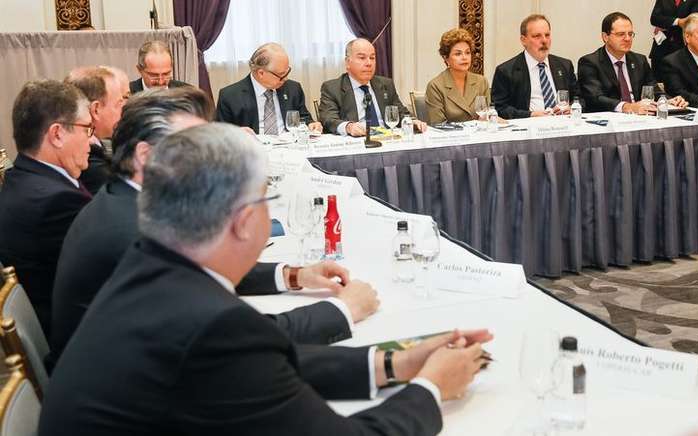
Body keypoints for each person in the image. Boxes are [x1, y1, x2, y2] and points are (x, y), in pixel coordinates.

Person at [39, 122, 492, 435]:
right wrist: (431, 389)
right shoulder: (211, 325)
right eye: (265, 199)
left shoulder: (150, 262)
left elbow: (273, 369)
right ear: (241, 220)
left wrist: (396, 362)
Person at [48, 88, 377, 371]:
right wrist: (342, 310)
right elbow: (234, 339)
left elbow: (201, 271)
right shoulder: (133, 231)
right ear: (146, 156)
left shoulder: (125, 201)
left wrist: (294, 275)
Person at [0, 80, 92, 337]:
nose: (90, 140)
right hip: (73, 338)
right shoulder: (57, 203)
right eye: (86, 129)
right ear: (57, 134)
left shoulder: (21, 179)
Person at [578, 12, 688, 113]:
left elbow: (654, 90)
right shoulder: (589, 62)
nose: (627, 39)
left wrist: (668, 100)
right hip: (610, 121)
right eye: (621, 34)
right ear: (605, 37)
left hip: (642, 117)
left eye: (630, 34)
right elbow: (595, 98)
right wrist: (627, 107)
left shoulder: (640, 60)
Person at [319, 38, 427, 137]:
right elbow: (328, 119)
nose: (369, 63)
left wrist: (411, 121)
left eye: (372, 58)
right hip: (357, 144)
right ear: (348, 62)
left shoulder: (386, 84)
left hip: (388, 141)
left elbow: (401, 113)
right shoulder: (332, 88)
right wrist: (348, 127)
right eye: (362, 58)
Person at [216, 42, 321, 134]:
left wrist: (311, 124)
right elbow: (222, 134)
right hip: (253, 150)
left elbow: (304, 119)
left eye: (287, 72)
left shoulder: (293, 89)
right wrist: (237, 134)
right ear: (261, 73)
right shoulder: (230, 96)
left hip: (290, 148)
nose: (285, 79)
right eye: (281, 74)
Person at [491, 14, 581, 119]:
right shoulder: (506, 71)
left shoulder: (564, 65)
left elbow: (580, 98)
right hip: (527, 130)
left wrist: (572, 108)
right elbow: (499, 108)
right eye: (537, 36)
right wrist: (530, 115)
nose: (544, 40)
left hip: (563, 125)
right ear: (523, 40)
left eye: (547, 35)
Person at [64, 65, 130, 194]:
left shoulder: (94, 148)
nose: (124, 110)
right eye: (119, 104)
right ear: (96, 110)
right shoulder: (87, 161)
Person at [425, 28, 491, 125]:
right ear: (446, 58)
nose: (464, 57)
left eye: (467, 52)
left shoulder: (481, 81)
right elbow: (438, 124)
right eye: (458, 54)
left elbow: (486, 116)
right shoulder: (435, 86)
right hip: (449, 138)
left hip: (479, 137)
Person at [649, 0, 698, 82]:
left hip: (682, 48)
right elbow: (654, 19)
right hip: (661, 49)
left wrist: (665, 23)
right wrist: (678, 22)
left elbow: (692, 21)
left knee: (679, 85)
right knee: (658, 85)